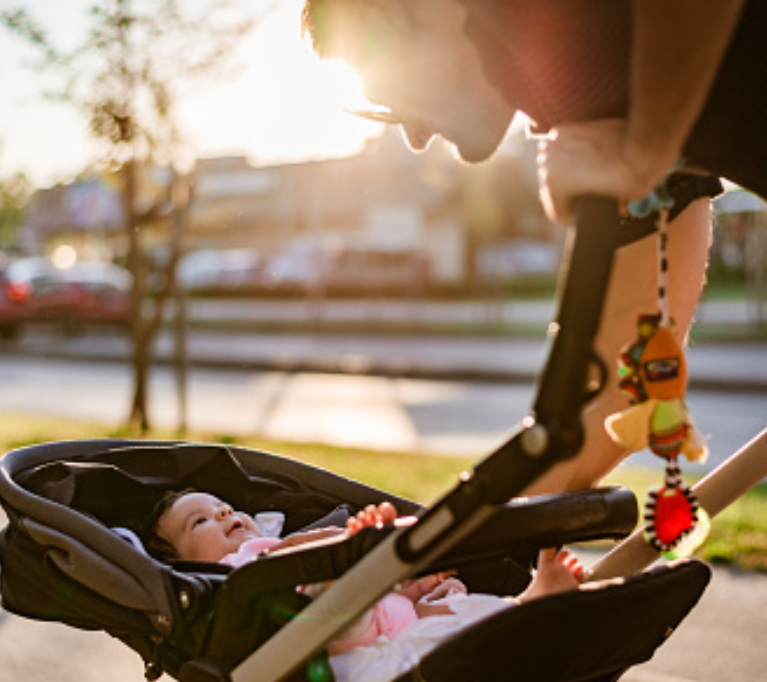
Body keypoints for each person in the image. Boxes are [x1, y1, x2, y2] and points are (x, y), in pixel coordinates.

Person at [300, 0, 734, 494]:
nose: (415, 138)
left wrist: (642, 151)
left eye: (391, 101)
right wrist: (460, 552)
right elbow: (621, 402)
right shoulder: (579, 101)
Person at [141, 490, 584, 682]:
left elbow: (391, 599)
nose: (222, 513)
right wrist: (341, 545)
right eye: (199, 523)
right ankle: (354, 562)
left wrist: (423, 587)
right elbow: (292, 555)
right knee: (418, 641)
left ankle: (527, 602)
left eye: (224, 506)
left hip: (387, 620)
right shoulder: (239, 570)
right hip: (334, 652)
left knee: (454, 611)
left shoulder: (276, 544)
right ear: (184, 560)